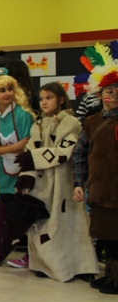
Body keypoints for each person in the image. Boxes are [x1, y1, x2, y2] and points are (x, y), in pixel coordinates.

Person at [15, 82, 98, 282]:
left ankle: (79, 266)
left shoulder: (71, 123)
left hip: (64, 182)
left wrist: (34, 158)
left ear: (61, 99)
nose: (44, 102)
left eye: (49, 98)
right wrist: (26, 175)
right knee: (43, 224)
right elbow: (30, 151)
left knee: (71, 224)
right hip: (43, 185)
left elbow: (64, 151)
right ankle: (44, 264)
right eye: (41, 99)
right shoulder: (38, 124)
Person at [0, 67, 35, 267]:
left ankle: (30, 255)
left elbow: (26, 148)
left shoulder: (23, 115)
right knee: (2, 210)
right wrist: (13, 147)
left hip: (25, 172)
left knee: (27, 212)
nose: (7, 93)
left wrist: (2, 148)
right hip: (4, 172)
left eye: (10, 89)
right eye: (2, 90)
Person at [73, 70, 118, 294]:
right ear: (100, 95)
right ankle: (110, 273)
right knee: (105, 231)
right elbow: (80, 153)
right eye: (109, 91)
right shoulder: (91, 121)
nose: (113, 96)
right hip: (99, 186)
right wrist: (78, 182)